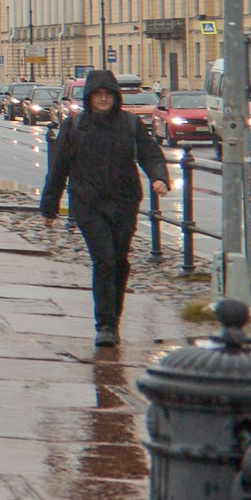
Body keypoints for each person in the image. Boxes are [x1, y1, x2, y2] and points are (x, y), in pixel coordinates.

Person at [39, 68, 169, 347]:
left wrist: (159, 177)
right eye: (97, 94)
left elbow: (150, 153)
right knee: (104, 259)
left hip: (124, 202)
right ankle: (105, 325)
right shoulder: (75, 126)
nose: (102, 99)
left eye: (107, 94)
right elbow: (58, 167)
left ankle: (114, 320)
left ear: (115, 96)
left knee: (120, 262)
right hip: (88, 204)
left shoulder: (130, 124)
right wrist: (50, 206)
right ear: (89, 97)